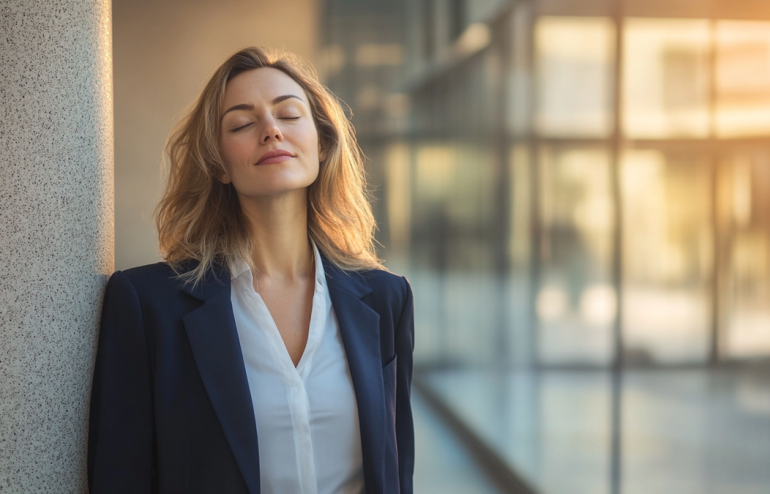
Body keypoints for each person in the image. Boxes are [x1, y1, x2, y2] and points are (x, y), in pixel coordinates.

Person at [87, 46, 414, 494]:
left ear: (322, 144)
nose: (271, 131)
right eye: (242, 123)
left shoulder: (385, 297)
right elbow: (119, 478)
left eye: (289, 115)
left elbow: (396, 471)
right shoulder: (147, 306)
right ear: (218, 163)